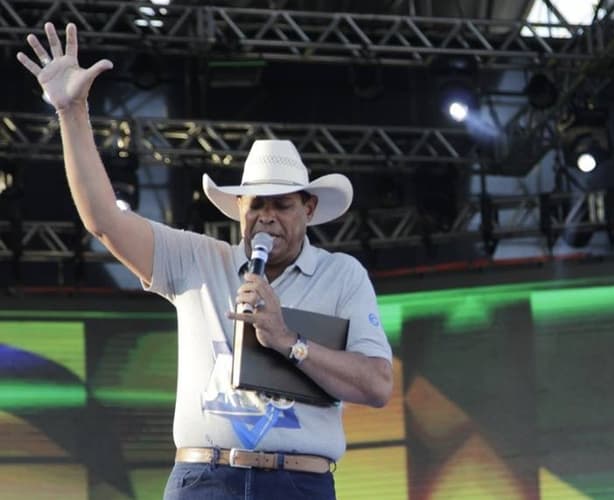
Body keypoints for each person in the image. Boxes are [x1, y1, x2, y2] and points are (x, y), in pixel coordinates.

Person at [17, 22, 393, 500]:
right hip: (204, 479)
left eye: (281, 204)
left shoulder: (342, 275)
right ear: (239, 209)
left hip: (300, 481)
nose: (267, 217)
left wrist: (287, 340)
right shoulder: (197, 259)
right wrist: (72, 112)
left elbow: (378, 385)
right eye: (256, 204)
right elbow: (104, 222)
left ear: (310, 209)